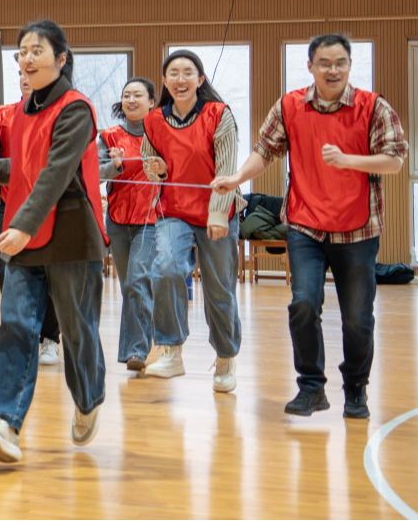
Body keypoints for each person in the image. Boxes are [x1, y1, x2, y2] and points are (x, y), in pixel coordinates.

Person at [213, 33, 408, 418]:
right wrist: (236, 179)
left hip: (358, 229)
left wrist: (349, 161)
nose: (333, 70)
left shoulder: (373, 107)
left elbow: (395, 160)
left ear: (349, 65)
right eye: (324, 63)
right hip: (305, 225)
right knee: (303, 303)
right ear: (310, 67)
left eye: (340, 63)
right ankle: (311, 387)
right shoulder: (290, 106)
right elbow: (264, 150)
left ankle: (355, 390)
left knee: (357, 318)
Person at [0, 20, 109, 461]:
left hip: (70, 237)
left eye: (37, 50)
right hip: (24, 237)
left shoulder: (77, 110)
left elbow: (55, 173)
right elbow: (21, 167)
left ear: (61, 59)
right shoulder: (19, 113)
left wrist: (23, 225)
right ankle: (2, 420)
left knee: (77, 332)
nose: (28, 58)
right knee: (17, 324)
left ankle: (88, 398)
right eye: (22, 52)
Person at [140, 50, 241, 393]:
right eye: (173, 73)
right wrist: (157, 171)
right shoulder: (154, 120)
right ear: (164, 81)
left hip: (217, 212)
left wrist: (218, 213)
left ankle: (225, 357)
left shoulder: (219, 114)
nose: (180, 79)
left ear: (200, 79)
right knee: (165, 268)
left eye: (187, 73)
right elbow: (149, 162)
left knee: (219, 291)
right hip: (174, 211)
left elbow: (227, 168)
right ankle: (171, 350)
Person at [0, 69, 62, 366]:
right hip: (10, 205)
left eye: (32, 74)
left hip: (49, 206)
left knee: (48, 273)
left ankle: (50, 338)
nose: (26, 79)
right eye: (22, 74)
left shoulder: (59, 112)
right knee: (6, 272)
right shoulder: (3, 115)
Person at [99, 77, 159, 372]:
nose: (131, 100)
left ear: (152, 102)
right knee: (130, 287)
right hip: (118, 221)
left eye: (138, 95)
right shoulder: (108, 136)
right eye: (126, 95)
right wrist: (115, 166)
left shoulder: (162, 135)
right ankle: (138, 343)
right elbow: (95, 173)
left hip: (152, 220)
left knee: (137, 281)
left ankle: (137, 350)